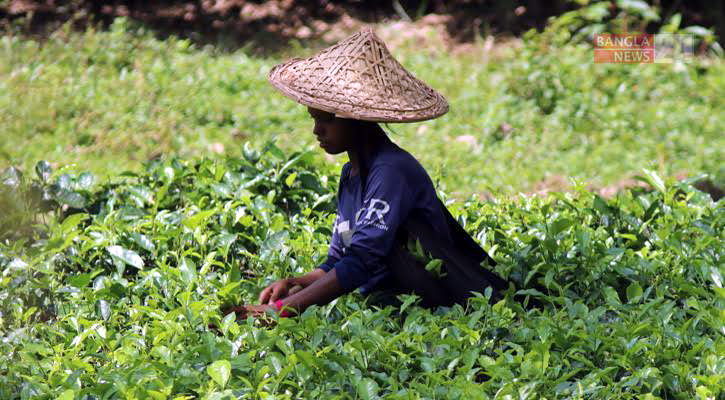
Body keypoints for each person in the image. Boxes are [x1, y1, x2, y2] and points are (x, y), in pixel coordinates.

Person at [229, 28, 508, 319]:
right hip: (383, 305)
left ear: (357, 119)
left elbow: (361, 261)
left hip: (427, 306)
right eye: (314, 119)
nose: (317, 130)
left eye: (325, 120)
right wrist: (294, 283)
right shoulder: (351, 174)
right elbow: (338, 260)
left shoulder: (391, 171)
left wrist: (277, 312)